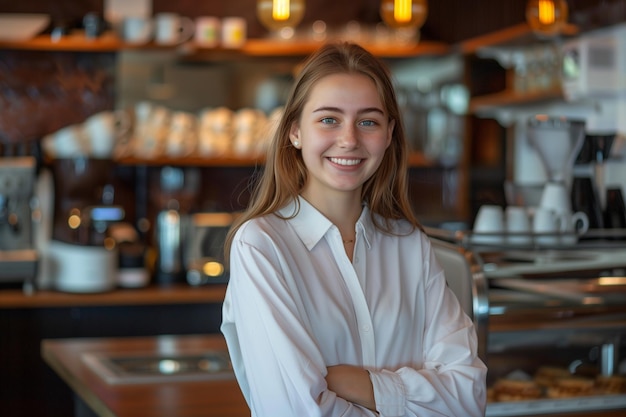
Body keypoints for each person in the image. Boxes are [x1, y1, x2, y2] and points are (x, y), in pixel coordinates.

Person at [221, 41, 487, 416]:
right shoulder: (261, 246)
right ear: (295, 130)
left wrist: (350, 382)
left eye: (368, 121)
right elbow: (294, 410)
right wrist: (411, 399)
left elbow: (468, 397)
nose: (349, 139)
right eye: (329, 119)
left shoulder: (410, 245)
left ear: (389, 133)